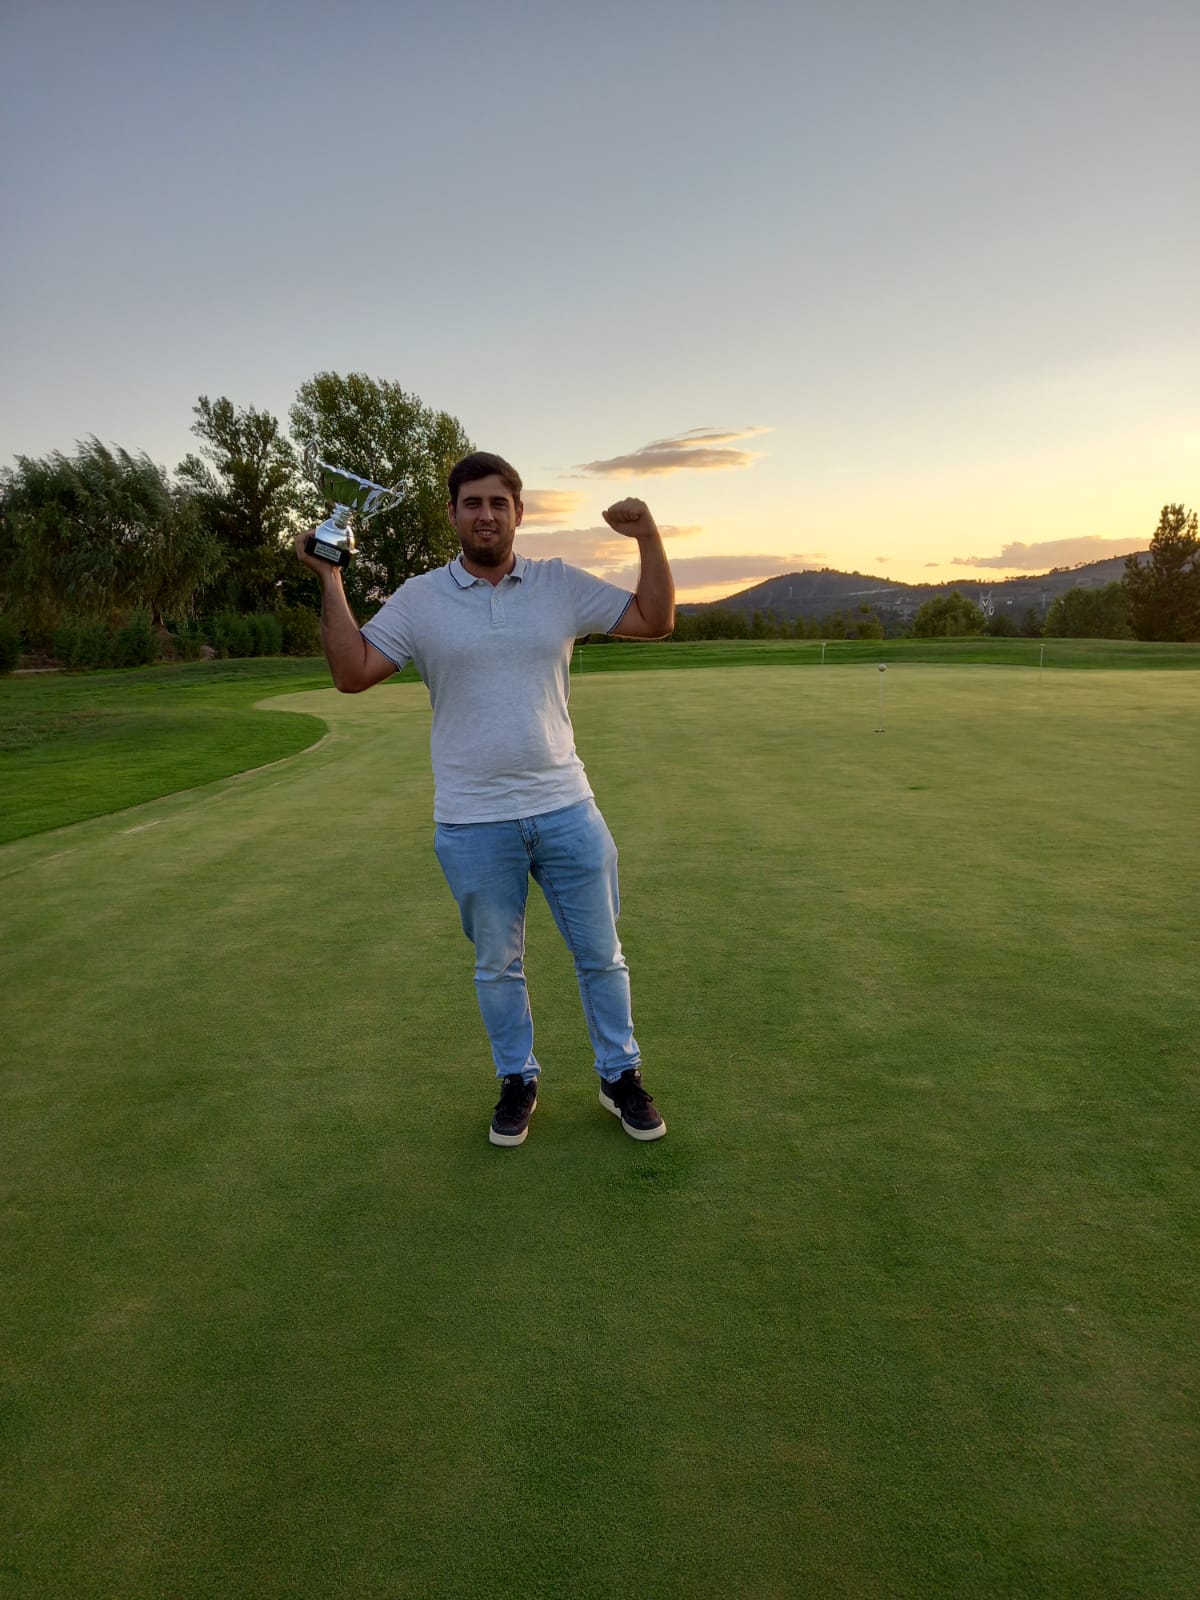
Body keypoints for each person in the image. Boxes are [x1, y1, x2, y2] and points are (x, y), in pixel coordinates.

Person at [295, 451, 675, 1147]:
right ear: (453, 515)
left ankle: (620, 1076)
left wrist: (649, 537)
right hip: (473, 821)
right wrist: (330, 577)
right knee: (497, 965)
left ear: (519, 513)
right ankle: (517, 1080)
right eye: (472, 503)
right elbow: (352, 673)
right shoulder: (418, 599)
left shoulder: (558, 584)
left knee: (602, 956)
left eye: (499, 503)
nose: (486, 515)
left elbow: (655, 619)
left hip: (566, 805)